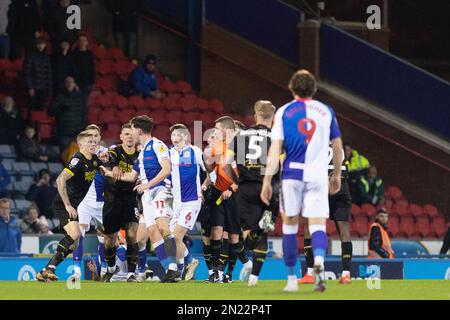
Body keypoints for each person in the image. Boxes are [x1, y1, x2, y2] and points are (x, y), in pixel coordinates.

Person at [261, 69, 343, 293]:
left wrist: (267, 180)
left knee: (289, 227)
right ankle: (318, 263)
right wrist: (336, 174)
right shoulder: (326, 111)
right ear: (314, 89)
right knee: (317, 224)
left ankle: (291, 281)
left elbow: (276, 148)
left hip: (292, 176)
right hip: (317, 175)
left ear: (291, 88)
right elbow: (337, 146)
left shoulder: (284, 112)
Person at [100, 116, 178, 282]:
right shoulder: (142, 152)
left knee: (163, 228)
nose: (131, 133)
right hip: (147, 196)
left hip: (160, 191)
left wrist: (147, 185)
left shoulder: (158, 145)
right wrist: (109, 173)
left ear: (139, 130)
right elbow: (132, 176)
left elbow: (166, 169)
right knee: (149, 233)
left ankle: (174, 268)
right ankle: (166, 271)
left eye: (133, 129)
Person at [36, 131, 102, 282]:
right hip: (64, 204)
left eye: (94, 142)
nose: (93, 144)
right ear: (80, 145)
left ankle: (44, 271)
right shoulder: (77, 159)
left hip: (75, 205)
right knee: (75, 234)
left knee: (74, 242)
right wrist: (67, 204)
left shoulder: (94, 159)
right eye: (89, 142)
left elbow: (105, 169)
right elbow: (60, 180)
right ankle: (49, 268)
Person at [226, 101, 278, 287]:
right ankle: (254, 278)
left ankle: (256, 232)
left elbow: (226, 163)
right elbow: (281, 163)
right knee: (264, 233)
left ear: (255, 116)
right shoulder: (276, 136)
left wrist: (235, 181)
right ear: (272, 117)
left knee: (250, 239)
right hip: (271, 188)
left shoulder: (240, 136)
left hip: (245, 189)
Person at [93, 123, 140, 283]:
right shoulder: (114, 150)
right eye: (126, 134)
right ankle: (111, 268)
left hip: (130, 199)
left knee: (132, 235)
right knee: (109, 239)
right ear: (121, 136)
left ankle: (131, 274)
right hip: (112, 199)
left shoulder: (140, 155)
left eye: (132, 134)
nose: (129, 136)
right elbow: (111, 159)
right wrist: (112, 167)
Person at [299, 143, 353, 285]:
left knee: (308, 227)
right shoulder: (339, 142)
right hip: (341, 184)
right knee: (344, 230)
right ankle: (346, 274)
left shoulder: (314, 142)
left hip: (321, 184)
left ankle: (310, 273)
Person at [203, 116, 244, 283]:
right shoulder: (218, 148)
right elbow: (211, 171)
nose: (215, 131)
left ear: (226, 130)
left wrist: (232, 188)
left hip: (235, 195)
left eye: (217, 128)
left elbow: (245, 173)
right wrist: (207, 160)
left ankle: (229, 273)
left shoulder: (240, 147)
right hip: (218, 194)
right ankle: (215, 272)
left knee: (234, 236)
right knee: (217, 232)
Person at [71, 124, 109, 281]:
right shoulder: (79, 155)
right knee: (78, 235)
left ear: (100, 137)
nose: (93, 138)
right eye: (90, 135)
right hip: (85, 203)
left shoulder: (108, 154)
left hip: (102, 202)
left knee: (105, 237)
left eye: (96, 135)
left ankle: (105, 271)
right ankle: (76, 272)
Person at [168, 123, 205, 281]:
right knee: (171, 239)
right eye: (173, 135)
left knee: (176, 237)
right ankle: (184, 267)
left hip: (191, 201)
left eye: (178, 135)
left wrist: (204, 187)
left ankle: (189, 262)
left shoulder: (196, 152)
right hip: (176, 202)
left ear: (186, 137)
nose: (175, 138)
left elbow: (210, 170)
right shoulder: (170, 153)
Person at [49, 76, 87, 151]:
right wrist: (60, 109)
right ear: (64, 84)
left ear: (75, 84)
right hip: (64, 132)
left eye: (71, 82)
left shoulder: (80, 98)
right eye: (67, 82)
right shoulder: (60, 96)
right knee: (65, 156)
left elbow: (84, 114)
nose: (69, 84)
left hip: (77, 133)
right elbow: (51, 111)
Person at [24, 37, 53, 111]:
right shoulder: (31, 56)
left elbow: (49, 74)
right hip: (34, 88)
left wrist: (49, 89)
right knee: (32, 110)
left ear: (45, 45)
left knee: (41, 110)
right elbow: (27, 73)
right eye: (39, 44)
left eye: (42, 44)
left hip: (44, 88)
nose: (40, 46)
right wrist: (30, 87)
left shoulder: (47, 57)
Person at [70, 34, 95, 105]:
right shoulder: (74, 54)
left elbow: (92, 68)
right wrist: (74, 83)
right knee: (75, 105)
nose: (82, 42)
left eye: (84, 40)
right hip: (76, 84)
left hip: (87, 84)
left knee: (84, 105)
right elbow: (72, 70)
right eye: (80, 40)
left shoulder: (90, 54)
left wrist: (91, 82)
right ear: (77, 42)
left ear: (87, 42)